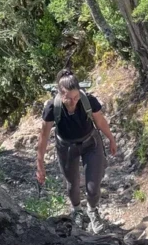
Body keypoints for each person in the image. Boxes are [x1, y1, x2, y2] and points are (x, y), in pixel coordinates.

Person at [35, 69, 118, 232]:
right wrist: (40, 164)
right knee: (72, 185)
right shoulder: (53, 107)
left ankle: (93, 212)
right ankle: (77, 211)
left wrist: (111, 139)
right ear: (60, 94)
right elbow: (43, 137)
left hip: (91, 143)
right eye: (68, 98)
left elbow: (100, 122)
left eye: (76, 97)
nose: (73, 102)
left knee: (93, 187)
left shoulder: (88, 101)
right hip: (66, 147)